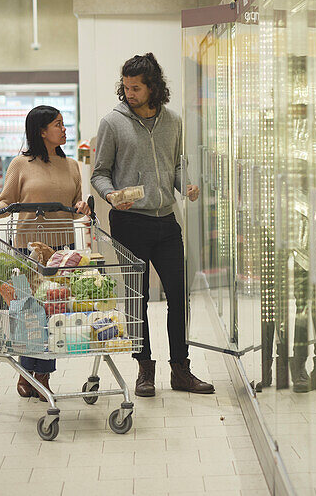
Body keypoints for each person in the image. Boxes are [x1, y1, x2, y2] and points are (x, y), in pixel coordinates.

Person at [91, 53, 214, 397]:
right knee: (137, 297)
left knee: (179, 295)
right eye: (126, 87)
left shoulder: (173, 121)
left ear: (153, 88)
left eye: (136, 88)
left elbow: (175, 165)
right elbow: (99, 174)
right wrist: (112, 194)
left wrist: (185, 183)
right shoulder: (112, 123)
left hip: (166, 221)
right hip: (130, 222)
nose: (129, 93)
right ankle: (144, 369)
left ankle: (181, 370)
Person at [0, 105, 89, 399]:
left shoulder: (71, 166)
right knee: (32, 314)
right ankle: (32, 374)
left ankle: (39, 375)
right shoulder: (21, 164)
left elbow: (78, 207)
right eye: (58, 125)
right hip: (28, 250)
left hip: (62, 251)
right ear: (41, 131)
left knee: (54, 311)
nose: (64, 129)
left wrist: (83, 208)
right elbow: (7, 204)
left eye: (64, 124)